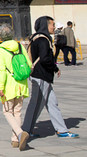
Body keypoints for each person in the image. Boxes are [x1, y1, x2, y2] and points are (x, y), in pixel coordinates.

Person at [20, 16, 78, 148]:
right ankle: (25, 131)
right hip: (41, 77)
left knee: (52, 104)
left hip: (43, 77)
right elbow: (45, 59)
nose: (53, 27)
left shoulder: (38, 38)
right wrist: (55, 67)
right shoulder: (42, 39)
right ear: (46, 25)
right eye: (51, 24)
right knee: (35, 105)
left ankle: (61, 130)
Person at [0, 23, 32, 149]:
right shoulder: (20, 46)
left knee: (7, 111)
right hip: (21, 83)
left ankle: (20, 134)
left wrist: (0, 87)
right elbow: (29, 63)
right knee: (17, 111)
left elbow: (1, 70)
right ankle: (15, 140)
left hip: (9, 85)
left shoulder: (0, 50)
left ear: (0, 36)